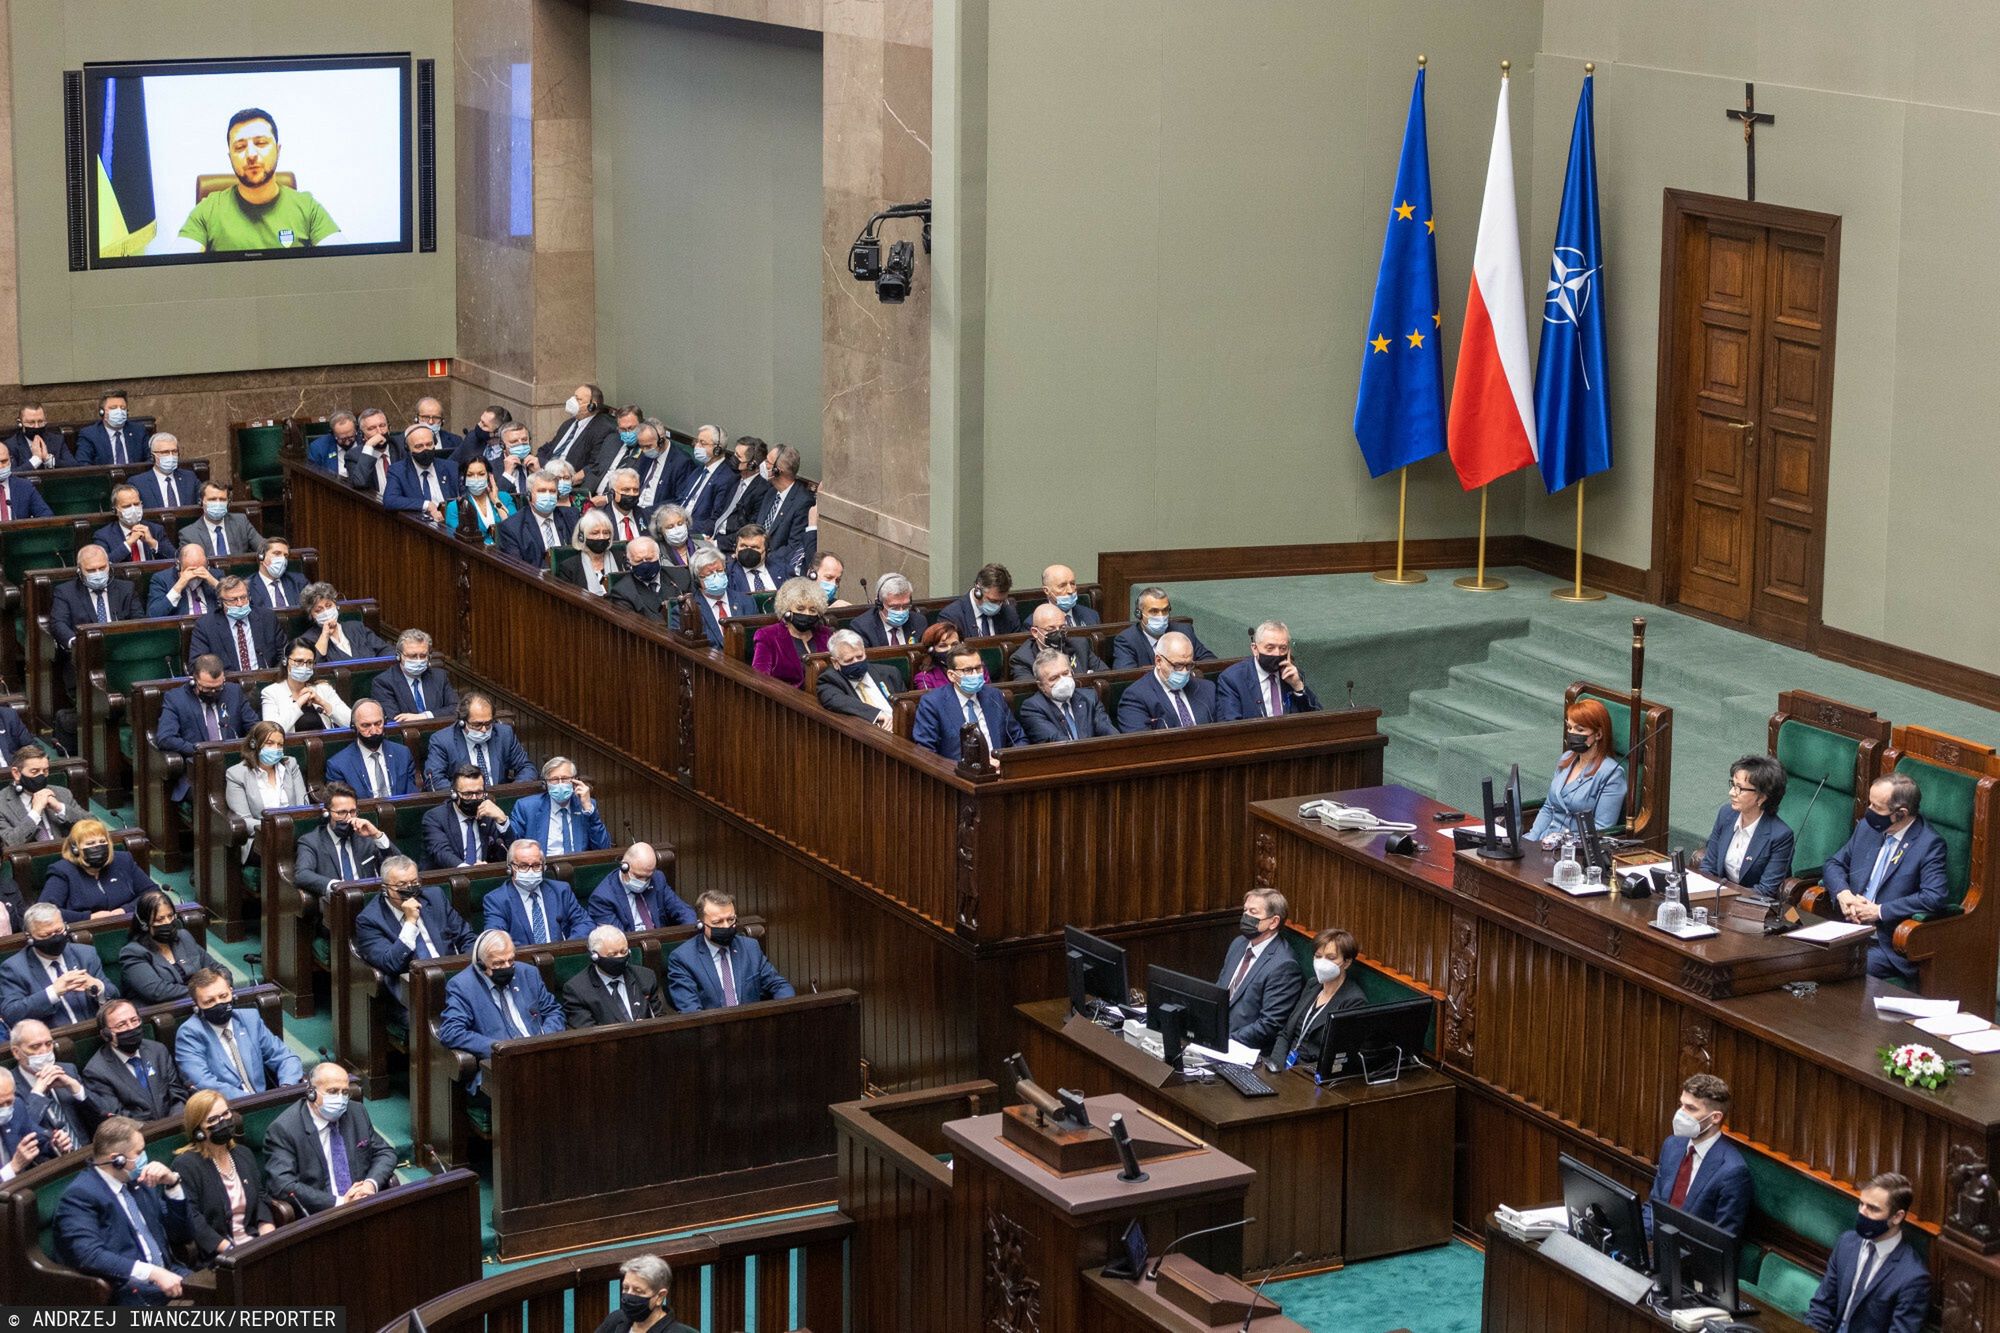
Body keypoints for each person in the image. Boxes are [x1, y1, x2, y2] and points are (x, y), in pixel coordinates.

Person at [52, 1116, 192, 1305]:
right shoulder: (80, 1195)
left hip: (171, 1275)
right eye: (139, 1152)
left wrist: (172, 1185)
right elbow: (89, 1255)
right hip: (128, 1291)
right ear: (117, 1160)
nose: (145, 1157)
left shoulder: (140, 1182)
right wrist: (152, 1272)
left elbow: (180, 1234)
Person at [1823, 773, 1950, 982]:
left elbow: (1934, 896)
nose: (1869, 812)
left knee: (1833, 965)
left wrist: (1879, 911)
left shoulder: (1929, 844)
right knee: (1799, 952)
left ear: (1901, 813)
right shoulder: (1868, 827)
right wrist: (1843, 894)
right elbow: (1833, 863)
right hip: (1846, 928)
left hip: (1884, 942)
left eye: (1877, 808)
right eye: (1870, 804)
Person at [171, 107, 340, 252]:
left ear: (278, 150)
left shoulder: (307, 207)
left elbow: (344, 262)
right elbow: (175, 270)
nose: (251, 154)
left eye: (260, 143)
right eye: (240, 147)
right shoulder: (207, 210)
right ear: (230, 157)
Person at [262, 1062, 397, 1215]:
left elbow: (385, 1153)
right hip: (320, 1216)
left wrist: (370, 1185)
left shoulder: (356, 1112)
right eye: (333, 1091)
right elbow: (282, 1184)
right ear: (311, 1093)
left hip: (363, 1206)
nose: (340, 1098)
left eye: (345, 1092)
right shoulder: (284, 1129)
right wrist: (340, 1203)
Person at [1801, 1172, 1928, 1333]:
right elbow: (1822, 1305)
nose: (1862, 1212)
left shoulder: (1912, 1276)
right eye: (1861, 1204)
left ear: (1897, 1217)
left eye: (1873, 1209)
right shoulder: (1847, 1243)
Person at [439, 931, 564, 1093]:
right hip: (500, 1067)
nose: (507, 967)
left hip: (540, 1056)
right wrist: (500, 1049)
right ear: (481, 964)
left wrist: (545, 1039)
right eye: (498, 964)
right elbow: (451, 1032)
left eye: (511, 960)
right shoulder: (463, 986)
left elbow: (554, 1011)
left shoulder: (528, 973)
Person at [353, 856, 475, 1008]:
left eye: (414, 883)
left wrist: (471, 973)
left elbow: (467, 937)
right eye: (402, 885)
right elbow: (390, 963)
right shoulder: (369, 920)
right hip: (412, 993)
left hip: (453, 980)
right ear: (385, 889)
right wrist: (410, 923)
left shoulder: (434, 897)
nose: (410, 890)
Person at [1644, 1073, 1753, 1238]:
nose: (1681, 1113)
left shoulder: (1732, 1172)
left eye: (1691, 1108)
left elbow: (1720, 1242)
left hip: (1689, 1259)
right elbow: (1654, 1205)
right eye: (1682, 1105)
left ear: (1715, 1117)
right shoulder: (1672, 1145)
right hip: (1654, 1248)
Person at [174, 1090, 274, 1260]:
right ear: (199, 1130)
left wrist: (268, 1235)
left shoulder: (243, 1154)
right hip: (220, 1256)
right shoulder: (186, 1165)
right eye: (213, 1120)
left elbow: (260, 1198)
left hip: (254, 1243)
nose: (224, 1122)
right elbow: (193, 1219)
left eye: (226, 1114)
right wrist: (230, 1250)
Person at [175, 969, 303, 1095]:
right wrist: (250, 1101)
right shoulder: (190, 1033)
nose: (219, 1003)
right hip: (227, 1109)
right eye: (209, 1001)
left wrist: (286, 1088)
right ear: (197, 1006)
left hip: (264, 1100)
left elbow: (285, 1058)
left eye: (223, 996)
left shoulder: (249, 1018)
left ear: (231, 992)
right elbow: (204, 1083)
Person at [667, 891, 794, 1011]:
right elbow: (691, 1011)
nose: (726, 926)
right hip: (711, 1031)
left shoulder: (750, 948)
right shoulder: (683, 958)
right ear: (701, 924)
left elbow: (779, 986)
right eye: (717, 922)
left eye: (730, 919)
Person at [154, 658, 257, 803]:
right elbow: (165, 738)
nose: (213, 693)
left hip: (237, 765)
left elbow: (254, 727)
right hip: (199, 772)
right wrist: (201, 751)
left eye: (218, 688)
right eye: (207, 689)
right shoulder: (176, 699)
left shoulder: (233, 692)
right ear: (193, 680)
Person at [1524, 698, 1628, 841]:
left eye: (1579, 729)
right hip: (1545, 841)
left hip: (1574, 849)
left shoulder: (1611, 773)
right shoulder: (1566, 759)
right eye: (1569, 727)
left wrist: (1563, 845)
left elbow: (1602, 828)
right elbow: (1548, 808)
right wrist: (1530, 840)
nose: (1572, 733)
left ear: (1598, 734)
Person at [1216, 889, 1302, 1051]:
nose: (1245, 916)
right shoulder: (1238, 944)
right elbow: (1220, 990)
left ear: (1273, 922)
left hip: (1243, 1049)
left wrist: (1225, 1041)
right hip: (1216, 1036)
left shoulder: (1284, 965)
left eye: (1253, 912)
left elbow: (1269, 1024)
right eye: (1245, 910)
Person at [912, 643, 1025, 765]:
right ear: (951, 675)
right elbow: (926, 753)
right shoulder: (933, 703)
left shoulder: (994, 696)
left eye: (978, 668)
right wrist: (968, 770)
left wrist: (1006, 763)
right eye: (968, 670)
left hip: (1000, 771)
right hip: (957, 777)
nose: (975, 674)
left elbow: (1018, 738)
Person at [1272, 928, 1368, 1068]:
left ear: (1346, 963)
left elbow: (1338, 1056)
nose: (1322, 963)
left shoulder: (1353, 1001)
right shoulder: (1313, 985)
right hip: (1285, 1066)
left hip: (1311, 1074)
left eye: (1330, 958)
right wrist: (1275, 1068)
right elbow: (1286, 1034)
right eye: (1318, 956)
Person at [82, 999, 190, 1124]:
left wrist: (172, 1124)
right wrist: (155, 1131)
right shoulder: (96, 1071)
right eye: (121, 1025)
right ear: (106, 1034)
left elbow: (177, 1093)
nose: (131, 1028)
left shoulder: (157, 1050)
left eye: (134, 1020)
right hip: (139, 1136)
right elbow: (118, 1117)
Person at [1700, 754, 1796, 894]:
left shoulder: (1781, 836)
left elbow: (1765, 890)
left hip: (1751, 907)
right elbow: (1708, 867)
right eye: (1733, 785)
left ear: (1762, 797)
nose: (1732, 793)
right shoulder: (1726, 814)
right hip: (1718, 899)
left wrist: (1726, 899)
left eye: (1740, 788)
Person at [3, 905, 116, 1022]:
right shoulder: (14, 968)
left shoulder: (85, 954)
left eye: (58, 931)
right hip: (52, 1036)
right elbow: (11, 1013)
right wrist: (53, 992)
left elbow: (114, 995)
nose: (55, 938)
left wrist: (98, 987)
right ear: (29, 937)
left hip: (93, 1030)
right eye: (45, 935)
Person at [41, 821, 160, 923]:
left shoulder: (123, 860)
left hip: (128, 923)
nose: (98, 847)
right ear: (75, 849)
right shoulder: (63, 871)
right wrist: (88, 917)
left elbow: (153, 892)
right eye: (90, 844)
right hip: (84, 932)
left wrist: (125, 910)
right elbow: (45, 911)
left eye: (102, 842)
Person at [292, 785, 393, 904]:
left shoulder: (364, 836)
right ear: (327, 813)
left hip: (370, 904)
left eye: (353, 812)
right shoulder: (312, 841)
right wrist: (338, 888)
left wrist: (377, 835)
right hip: (337, 907)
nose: (348, 818)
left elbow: (397, 866)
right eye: (341, 813)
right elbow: (302, 874)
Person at [119, 890, 222, 1005]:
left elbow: (217, 968)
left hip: (201, 1003)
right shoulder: (133, 952)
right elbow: (158, 992)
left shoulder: (183, 937)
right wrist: (205, 992)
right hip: (161, 1011)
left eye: (170, 916)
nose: (167, 922)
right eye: (159, 919)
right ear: (144, 924)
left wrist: (222, 984)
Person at [224, 722, 306, 865]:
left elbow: (303, 807)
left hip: (295, 834)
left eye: (280, 745)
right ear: (254, 744)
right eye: (270, 743)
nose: (275, 749)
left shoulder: (290, 765)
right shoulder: (237, 774)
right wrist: (277, 828)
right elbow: (245, 821)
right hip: (261, 840)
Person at [481, 839, 591, 944]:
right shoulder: (497, 900)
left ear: (544, 867)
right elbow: (496, 940)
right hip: (520, 961)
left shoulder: (561, 891)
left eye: (536, 865)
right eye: (523, 866)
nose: (531, 871)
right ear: (510, 869)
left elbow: (585, 923)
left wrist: (565, 949)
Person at [424, 691, 537, 790]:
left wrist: (512, 791)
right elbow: (435, 780)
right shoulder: (442, 740)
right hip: (464, 803)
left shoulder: (504, 734)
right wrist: (466, 796)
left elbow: (526, 768)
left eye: (488, 723)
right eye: (477, 724)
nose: (484, 730)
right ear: (462, 722)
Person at [10, 1016, 98, 1143]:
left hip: (86, 1150)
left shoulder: (67, 1070)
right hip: (49, 1160)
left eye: (48, 1044)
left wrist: (76, 1088)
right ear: (16, 1052)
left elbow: (101, 1114)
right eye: (35, 1046)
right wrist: (37, 1094)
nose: (44, 1051)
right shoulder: (9, 1087)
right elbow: (17, 1136)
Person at [1216, 621, 1322, 720]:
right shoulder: (1233, 679)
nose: (1277, 654)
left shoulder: (1293, 675)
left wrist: (1298, 687)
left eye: (1283, 648)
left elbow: (1317, 720)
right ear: (1255, 649)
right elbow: (1231, 726)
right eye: (1270, 648)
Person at [561, 925, 665, 1027]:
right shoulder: (577, 991)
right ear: (595, 957)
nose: (620, 957)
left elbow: (661, 1019)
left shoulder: (645, 977)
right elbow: (589, 1035)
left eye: (623, 952)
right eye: (613, 955)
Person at [1117, 631, 1217, 731]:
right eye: (1177, 665)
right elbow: (1141, 743)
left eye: (1189, 665)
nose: (1184, 671)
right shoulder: (1136, 697)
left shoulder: (1207, 689)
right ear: (1158, 661)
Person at [51, 546, 139, 661]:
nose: (98, 574)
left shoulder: (126, 589)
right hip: (84, 656)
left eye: (102, 568)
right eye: (91, 570)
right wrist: (76, 644)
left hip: (123, 654)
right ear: (79, 571)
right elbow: (58, 623)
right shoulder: (65, 592)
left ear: (109, 565)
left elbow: (139, 621)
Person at [509, 757, 610, 855]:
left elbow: (603, 848)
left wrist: (589, 811)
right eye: (554, 780)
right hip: (542, 868)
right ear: (546, 784)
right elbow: (512, 845)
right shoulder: (527, 807)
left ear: (575, 781)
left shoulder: (587, 805)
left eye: (565, 779)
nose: (560, 784)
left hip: (578, 867)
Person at [586, 842, 696, 932]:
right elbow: (618, 940)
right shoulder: (602, 898)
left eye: (648, 877)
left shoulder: (657, 879)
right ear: (624, 867)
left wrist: (691, 933)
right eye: (638, 876)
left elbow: (684, 911)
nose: (643, 882)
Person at [421, 766, 513, 870]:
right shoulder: (435, 817)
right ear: (454, 794)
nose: (474, 798)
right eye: (467, 794)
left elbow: (511, 852)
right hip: (446, 880)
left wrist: (502, 820)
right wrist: (469, 870)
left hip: (484, 877)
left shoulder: (488, 814)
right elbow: (442, 853)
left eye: (478, 793)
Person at [188, 575, 284, 673]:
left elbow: (284, 654)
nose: (240, 603)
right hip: (227, 683)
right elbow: (197, 665)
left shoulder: (267, 617)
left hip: (266, 681)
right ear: (221, 603)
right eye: (233, 600)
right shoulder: (206, 625)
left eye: (243, 597)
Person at [1018, 649, 1118, 744]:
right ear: (1041, 685)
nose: (1063, 681)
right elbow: (1056, 742)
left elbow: (1108, 731)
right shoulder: (1032, 708)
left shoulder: (1089, 697)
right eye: (1054, 678)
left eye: (1066, 673)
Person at [325, 700, 418, 798]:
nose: (374, 731)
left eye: (378, 723)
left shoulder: (403, 754)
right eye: (366, 725)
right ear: (354, 727)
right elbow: (341, 806)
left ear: (385, 721)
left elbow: (411, 798)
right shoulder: (338, 765)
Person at [261, 638, 353, 733]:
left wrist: (323, 703)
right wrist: (299, 703)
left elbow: (353, 723)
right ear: (285, 661)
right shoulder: (271, 693)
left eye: (309, 662)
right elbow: (270, 733)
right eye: (298, 661)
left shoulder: (324, 689)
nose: (304, 667)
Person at [1110, 588, 1217, 668]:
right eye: (1154, 611)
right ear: (1139, 614)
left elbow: (1210, 662)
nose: (1161, 616)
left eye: (1165, 610)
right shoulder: (1127, 640)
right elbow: (1127, 679)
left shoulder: (1184, 631)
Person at [752, 578, 831, 688]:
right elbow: (760, 677)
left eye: (812, 610)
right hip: (786, 700)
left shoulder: (826, 634)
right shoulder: (767, 636)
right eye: (800, 609)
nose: (807, 614)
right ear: (786, 611)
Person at [818, 629, 903, 730]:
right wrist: (877, 714)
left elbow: (905, 705)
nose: (856, 662)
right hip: (867, 734)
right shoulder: (829, 680)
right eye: (849, 660)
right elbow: (837, 701)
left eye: (859, 656)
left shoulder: (890, 673)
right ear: (835, 662)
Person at [495, 470, 581, 569]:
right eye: (542, 491)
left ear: (557, 496)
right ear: (529, 496)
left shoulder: (572, 516)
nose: (548, 496)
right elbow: (517, 569)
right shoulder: (512, 527)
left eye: (552, 491)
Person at [0, 742, 80, 847]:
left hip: (66, 855)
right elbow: (9, 842)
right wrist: (35, 813)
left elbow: (93, 826)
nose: (41, 776)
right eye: (35, 771)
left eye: (45, 771)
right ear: (16, 773)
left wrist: (60, 808)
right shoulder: (2, 804)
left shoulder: (61, 793)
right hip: (28, 860)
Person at [594, 1254, 700, 1333]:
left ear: (660, 1296)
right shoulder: (616, 1320)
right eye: (626, 1288)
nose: (629, 1295)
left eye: (638, 1291)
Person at [372, 628, 459, 721]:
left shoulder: (439, 676)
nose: (418, 660)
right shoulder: (384, 682)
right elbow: (394, 719)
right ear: (399, 656)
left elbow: (456, 708)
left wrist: (424, 716)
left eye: (423, 656)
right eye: (412, 656)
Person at [1006, 602, 1106, 681]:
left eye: (1062, 628)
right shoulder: (1022, 659)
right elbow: (1030, 694)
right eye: (1051, 629)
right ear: (1035, 632)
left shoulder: (1079, 645)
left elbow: (1105, 675)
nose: (1058, 633)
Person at [382, 424, 461, 520]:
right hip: (419, 527)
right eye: (419, 446)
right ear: (408, 448)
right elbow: (390, 500)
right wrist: (426, 505)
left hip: (450, 524)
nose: (425, 450)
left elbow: (464, 496)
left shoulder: (450, 467)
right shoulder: (398, 471)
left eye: (429, 444)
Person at [753, 444, 813, 570]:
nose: (763, 465)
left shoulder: (803, 502)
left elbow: (793, 547)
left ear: (778, 470)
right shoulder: (771, 492)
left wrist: (760, 559)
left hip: (775, 566)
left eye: (768, 462)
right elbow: (757, 528)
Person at [684, 546, 756, 648]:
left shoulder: (746, 601)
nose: (716, 576)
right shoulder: (688, 610)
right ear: (697, 580)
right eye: (709, 574)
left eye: (719, 571)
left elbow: (755, 641)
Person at [301, 582, 392, 661]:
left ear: (336, 606)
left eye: (329, 606)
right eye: (318, 610)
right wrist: (325, 636)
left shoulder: (357, 627)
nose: (326, 612)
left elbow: (386, 650)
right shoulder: (308, 639)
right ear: (312, 616)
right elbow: (314, 666)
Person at [712, 436, 775, 550]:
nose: (733, 459)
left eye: (738, 456)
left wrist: (717, 543)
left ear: (752, 464)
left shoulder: (762, 491)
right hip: (714, 535)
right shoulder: (733, 480)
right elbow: (718, 512)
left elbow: (748, 532)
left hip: (730, 545)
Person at [540, 383, 617, 475]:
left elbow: (595, 464)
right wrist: (538, 462)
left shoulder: (602, 429)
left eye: (578, 399)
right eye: (574, 397)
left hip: (566, 477)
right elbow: (549, 447)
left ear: (592, 406)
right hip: (546, 471)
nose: (572, 401)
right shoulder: (568, 424)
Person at [179, 482, 266, 559]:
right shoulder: (188, 534)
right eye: (212, 499)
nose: (218, 503)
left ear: (228, 503)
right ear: (201, 502)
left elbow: (264, 547)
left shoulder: (241, 522)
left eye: (222, 500)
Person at [443, 457, 516, 545]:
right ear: (464, 478)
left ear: (489, 476)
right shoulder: (455, 507)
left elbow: (515, 530)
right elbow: (458, 541)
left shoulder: (504, 497)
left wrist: (496, 501)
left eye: (481, 474)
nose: (476, 478)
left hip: (507, 552)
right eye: (470, 475)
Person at [678, 425, 736, 536]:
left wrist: (681, 527)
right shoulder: (699, 470)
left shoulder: (727, 478)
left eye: (702, 443)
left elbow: (715, 520)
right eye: (697, 441)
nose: (696, 446)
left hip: (693, 532)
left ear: (717, 449)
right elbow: (681, 499)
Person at [938, 563, 1022, 639]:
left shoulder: (1009, 614)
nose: (998, 606)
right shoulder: (952, 617)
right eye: (993, 601)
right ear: (978, 592)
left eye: (1002, 601)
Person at [74, 389, 151, 467]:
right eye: (113, 408)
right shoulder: (90, 435)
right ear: (102, 412)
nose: (119, 411)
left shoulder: (138, 430)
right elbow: (83, 464)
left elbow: (151, 458)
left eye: (123, 408)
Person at [851, 572, 928, 648]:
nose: (901, 611)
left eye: (905, 606)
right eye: (894, 607)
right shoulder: (862, 628)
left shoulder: (919, 622)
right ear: (879, 604)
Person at [608, 536, 672, 623]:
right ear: (629, 563)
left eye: (649, 559)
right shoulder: (622, 592)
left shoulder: (680, 576)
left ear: (659, 557)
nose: (645, 564)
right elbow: (634, 627)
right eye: (639, 561)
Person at [146, 543, 220, 618]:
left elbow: (231, 608)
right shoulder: (161, 579)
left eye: (201, 569)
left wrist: (216, 585)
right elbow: (153, 615)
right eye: (191, 570)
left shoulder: (216, 576)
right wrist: (179, 586)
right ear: (178, 565)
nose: (196, 574)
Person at [93, 488, 167, 563]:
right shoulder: (103, 536)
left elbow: (174, 558)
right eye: (127, 506)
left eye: (136, 504)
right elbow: (103, 564)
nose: (133, 510)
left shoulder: (156, 529)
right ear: (115, 511)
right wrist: (129, 543)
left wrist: (152, 543)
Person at [562, 507, 623, 595]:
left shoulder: (622, 559)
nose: (601, 537)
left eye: (606, 533)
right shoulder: (569, 567)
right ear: (582, 537)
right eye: (595, 533)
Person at [344, 409, 400, 499]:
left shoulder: (400, 447)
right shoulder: (353, 456)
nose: (379, 432)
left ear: (389, 428)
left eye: (382, 426)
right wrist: (369, 446)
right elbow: (360, 483)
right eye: (371, 428)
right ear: (362, 435)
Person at [131, 432, 196, 509]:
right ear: (152, 456)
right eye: (165, 452)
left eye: (174, 451)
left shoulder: (189, 478)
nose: (171, 456)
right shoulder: (138, 483)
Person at [4, 403, 73, 470]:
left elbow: (75, 466)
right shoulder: (10, 445)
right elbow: (10, 474)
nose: (36, 426)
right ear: (20, 423)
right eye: (31, 422)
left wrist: (48, 459)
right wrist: (35, 460)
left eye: (40, 421)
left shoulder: (57, 440)